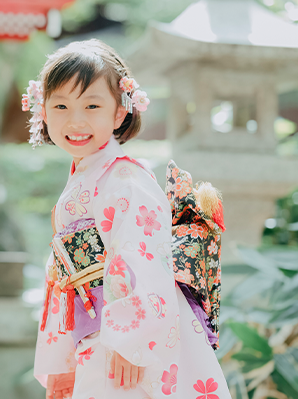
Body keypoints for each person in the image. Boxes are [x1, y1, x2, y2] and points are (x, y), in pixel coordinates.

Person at [24, 39, 231, 399]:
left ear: (120, 112)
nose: (76, 120)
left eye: (92, 105)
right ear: (43, 110)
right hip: (96, 330)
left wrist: (132, 339)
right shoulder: (90, 175)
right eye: (61, 105)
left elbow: (140, 253)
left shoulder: (124, 178)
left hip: (123, 337)